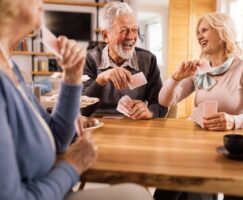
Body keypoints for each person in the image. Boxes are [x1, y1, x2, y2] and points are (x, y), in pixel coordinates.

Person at [0, 0, 152, 199]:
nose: (41, 3)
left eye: (134, 30)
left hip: (55, 184)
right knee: (137, 195)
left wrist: (72, 77)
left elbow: (57, 139)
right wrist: (73, 166)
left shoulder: (11, 67)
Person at [159, 13, 243, 131]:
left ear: (223, 32)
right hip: (200, 138)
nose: (199, 37)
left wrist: (234, 121)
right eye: (198, 33)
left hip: (233, 141)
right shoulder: (198, 70)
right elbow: (164, 101)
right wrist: (176, 78)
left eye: (204, 30)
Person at [81, 2, 167, 119]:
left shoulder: (148, 60)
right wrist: (100, 80)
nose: (131, 36)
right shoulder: (90, 59)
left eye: (134, 30)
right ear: (106, 35)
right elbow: (81, 110)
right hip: (98, 126)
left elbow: (161, 105)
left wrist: (149, 111)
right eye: (124, 30)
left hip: (134, 126)